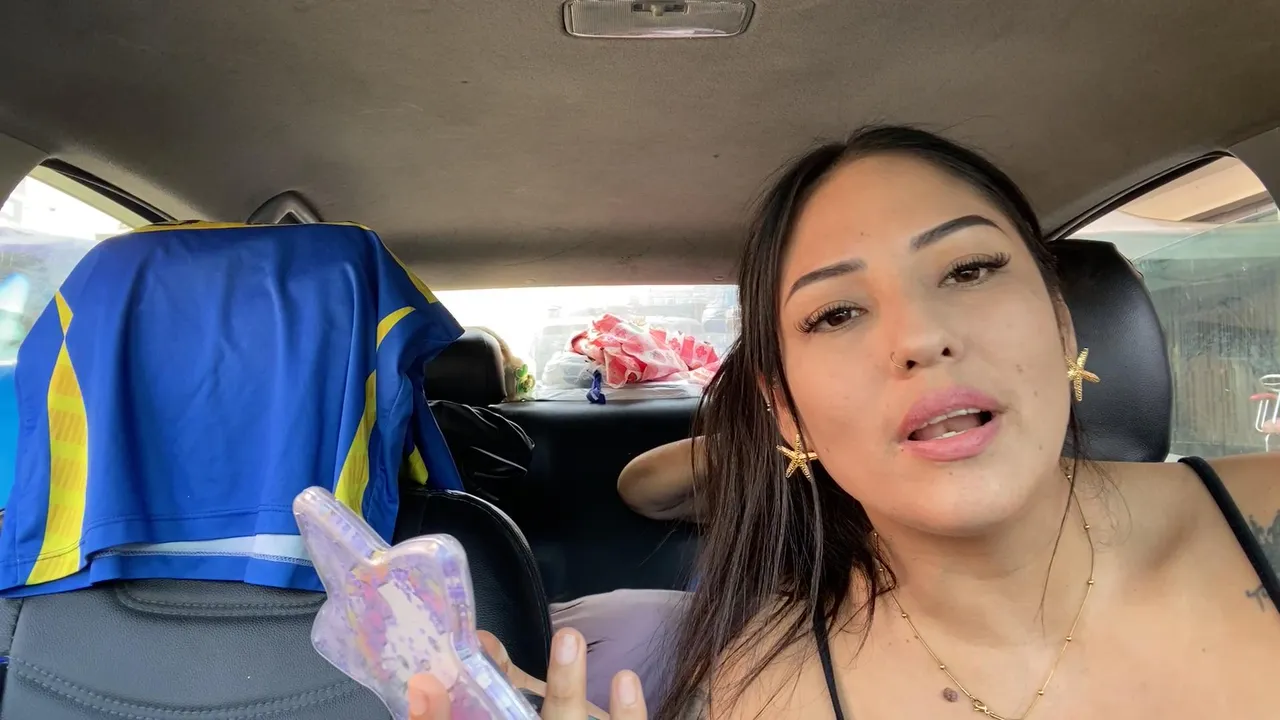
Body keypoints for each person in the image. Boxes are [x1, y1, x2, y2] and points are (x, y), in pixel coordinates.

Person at [409, 125, 1280, 719]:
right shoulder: (762, 690)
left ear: (1060, 324)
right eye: (835, 314)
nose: (921, 338)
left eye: (969, 269)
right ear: (785, 409)